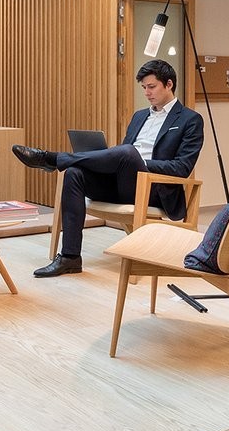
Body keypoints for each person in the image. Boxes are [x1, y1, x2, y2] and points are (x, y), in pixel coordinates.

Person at [12, 59, 203, 277]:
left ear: (169, 84)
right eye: (144, 88)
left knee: (128, 152)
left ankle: (51, 159)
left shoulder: (190, 119)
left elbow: (182, 167)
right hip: (123, 183)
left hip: (153, 189)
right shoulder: (140, 116)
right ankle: (70, 258)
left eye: (151, 87)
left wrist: (140, 162)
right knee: (74, 173)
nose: (147, 93)